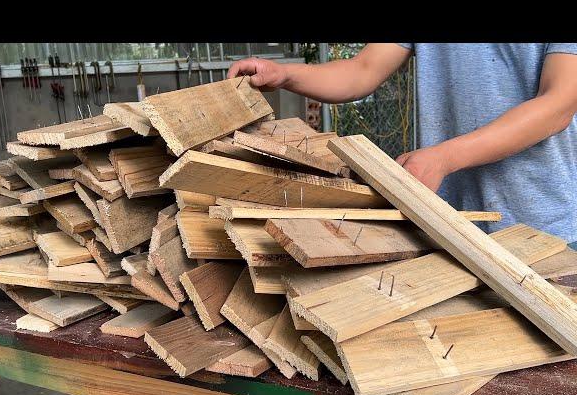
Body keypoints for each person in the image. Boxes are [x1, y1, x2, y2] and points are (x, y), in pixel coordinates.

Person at [227, 43, 577, 244]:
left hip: (541, 229)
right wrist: (287, 74)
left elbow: (559, 104)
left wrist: (443, 158)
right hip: (447, 225)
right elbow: (363, 69)